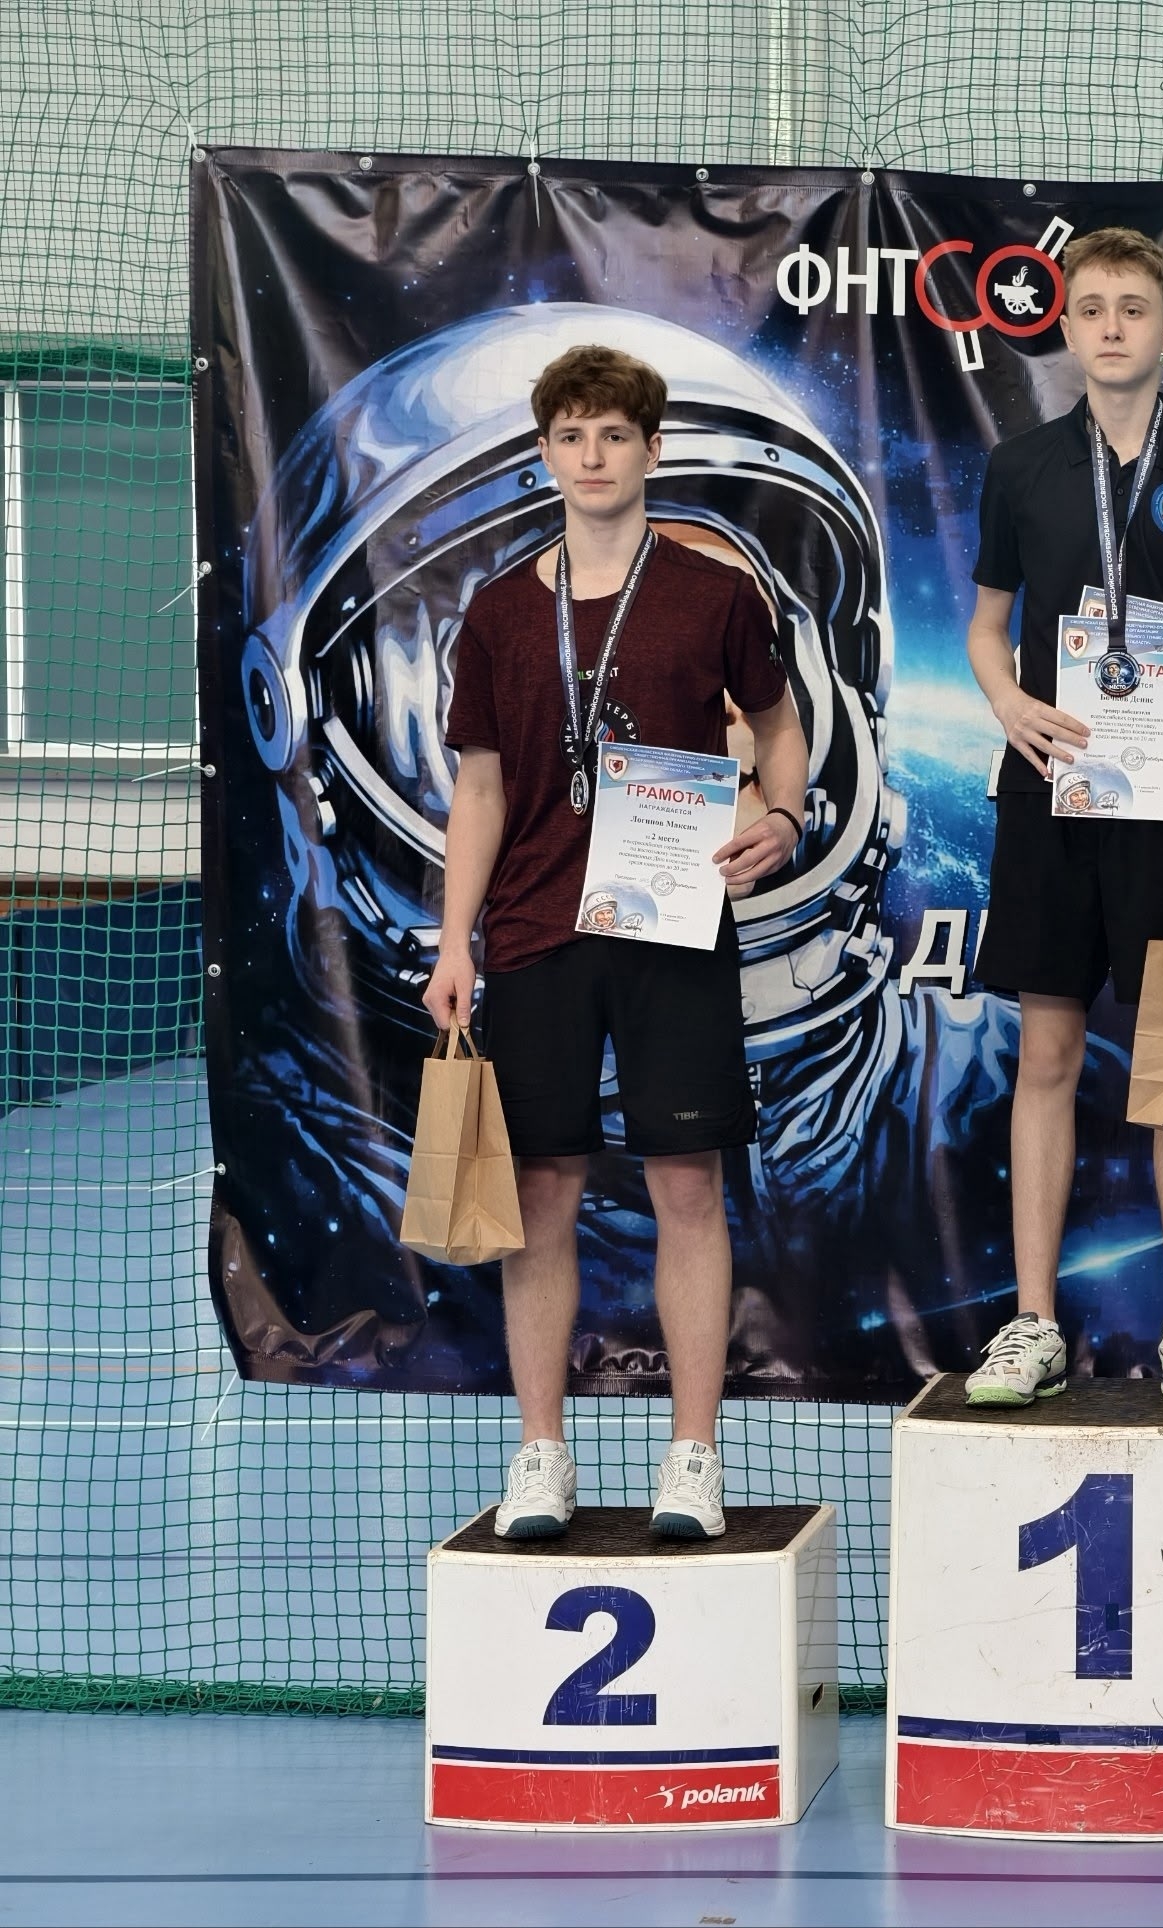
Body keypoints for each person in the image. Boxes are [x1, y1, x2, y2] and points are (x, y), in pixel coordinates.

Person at [424, 344, 810, 1541]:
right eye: (571, 436)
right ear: (546, 454)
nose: (592, 456)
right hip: (534, 929)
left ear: (651, 450)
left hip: (672, 921)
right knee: (540, 1190)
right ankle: (542, 1450)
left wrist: (785, 813)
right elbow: (479, 790)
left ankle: (692, 1454)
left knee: (687, 1182)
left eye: (613, 435)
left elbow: (780, 724)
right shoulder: (498, 610)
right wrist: (453, 943)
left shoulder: (713, 593)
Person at [960, 228, 1163, 1410]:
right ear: (1065, 327)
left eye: (1133, 308)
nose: (1110, 326)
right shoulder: (1022, 466)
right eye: (1090, 307)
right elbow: (986, 626)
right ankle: (1033, 1321)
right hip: (1055, 791)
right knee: (1046, 1056)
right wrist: (1007, 701)